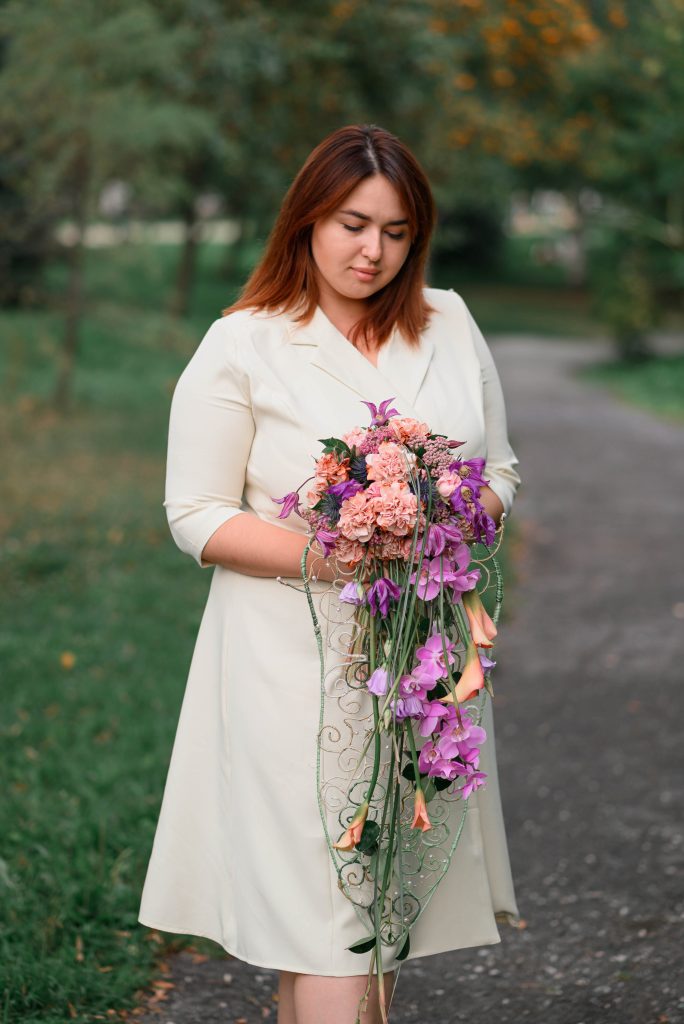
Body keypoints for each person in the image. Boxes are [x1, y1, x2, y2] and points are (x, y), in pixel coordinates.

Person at [138, 123, 522, 1024]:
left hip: (419, 659)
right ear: (307, 218)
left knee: (372, 910)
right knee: (332, 917)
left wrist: (444, 512)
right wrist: (343, 552)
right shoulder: (244, 342)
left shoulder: (448, 322)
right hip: (288, 664)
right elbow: (195, 513)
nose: (372, 252)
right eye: (353, 224)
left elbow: (500, 473)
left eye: (396, 232)